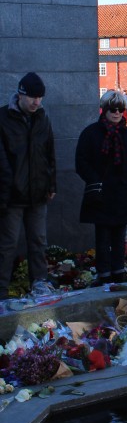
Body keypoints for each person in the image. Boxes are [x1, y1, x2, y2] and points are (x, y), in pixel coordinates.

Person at [75, 90, 127, 285]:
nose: (116, 113)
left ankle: (118, 273)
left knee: (119, 236)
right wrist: (94, 180)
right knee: (103, 236)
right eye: (112, 109)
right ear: (104, 110)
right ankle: (104, 274)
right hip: (101, 193)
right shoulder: (91, 133)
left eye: (120, 109)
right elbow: (81, 162)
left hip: (122, 192)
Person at [0, 72, 57, 303]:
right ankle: (2, 291)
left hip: (38, 193)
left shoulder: (42, 117)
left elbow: (49, 152)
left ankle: (40, 284)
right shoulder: (3, 117)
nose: (36, 102)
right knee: (7, 244)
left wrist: (51, 184)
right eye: (32, 97)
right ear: (20, 95)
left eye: (40, 97)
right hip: (12, 195)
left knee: (38, 242)